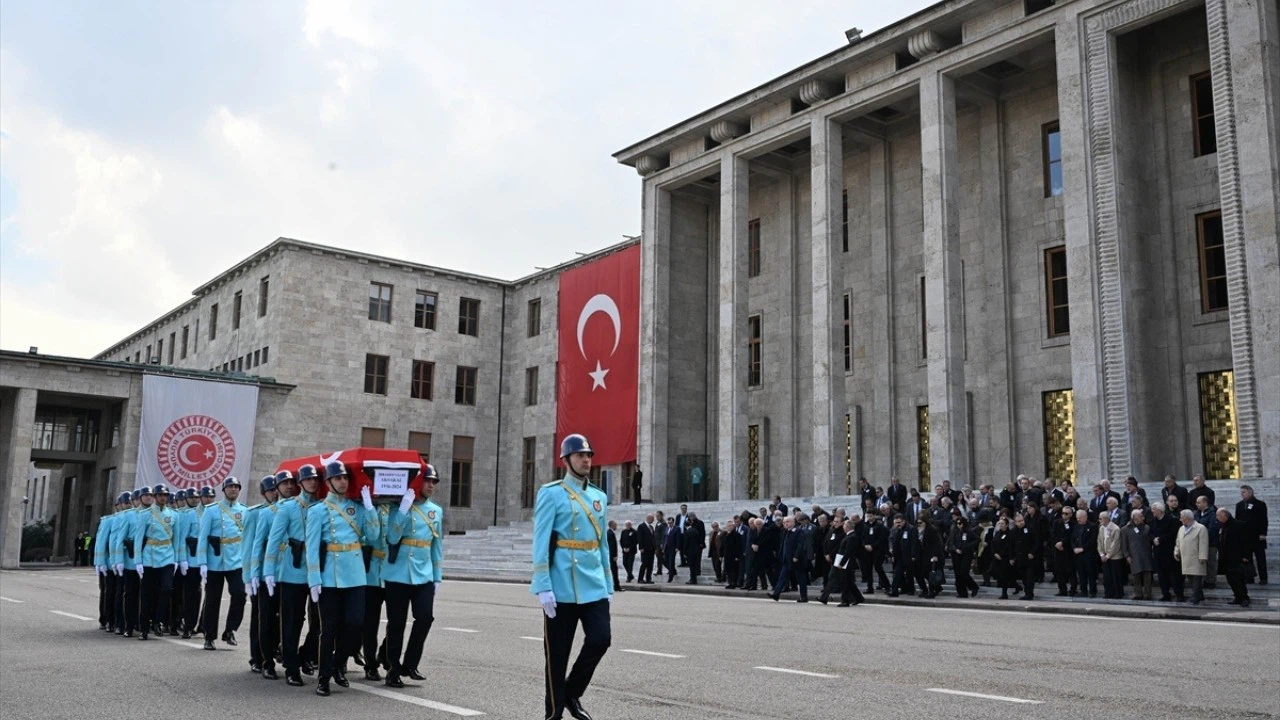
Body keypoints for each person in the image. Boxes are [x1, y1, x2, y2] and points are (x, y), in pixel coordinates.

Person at [531, 434, 613, 720]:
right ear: (566, 460)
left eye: (589, 455)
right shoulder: (551, 493)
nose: (586, 460)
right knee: (557, 656)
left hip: (593, 585)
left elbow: (602, 544)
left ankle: (572, 693)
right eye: (580, 455)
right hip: (561, 585)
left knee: (601, 639)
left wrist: (608, 583)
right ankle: (553, 712)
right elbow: (541, 541)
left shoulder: (599, 497)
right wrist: (542, 585)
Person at [306, 460, 379, 697]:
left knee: (356, 623)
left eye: (345, 478)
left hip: (355, 574)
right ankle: (324, 677)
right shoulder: (317, 510)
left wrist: (369, 508)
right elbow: (312, 546)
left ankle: (339, 663)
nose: (343, 481)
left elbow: (374, 535)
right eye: (338, 478)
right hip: (330, 576)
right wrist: (314, 578)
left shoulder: (356, 508)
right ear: (328, 482)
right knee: (329, 628)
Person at [383, 464, 443, 689]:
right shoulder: (397, 506)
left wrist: (437, 576)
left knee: (425, 617)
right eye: (427, 481)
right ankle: (393, 669)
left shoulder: (435, 510)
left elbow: (436, 544)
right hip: (398, 573)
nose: (430, 486)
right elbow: (392, 537)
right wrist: (402, 510)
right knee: (397, 623)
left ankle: (410, 664)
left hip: (423, 573)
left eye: (434, 482)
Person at [264, 463, 321, 686]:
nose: (313, 483)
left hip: (317, 570)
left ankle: (306, 654)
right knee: (292, 621)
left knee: (319, 623)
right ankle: (291, 666)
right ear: (300, 483)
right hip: (292, 570)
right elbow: (274, 540)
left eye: (315, 479)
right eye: (308, 479)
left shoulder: (322, 506)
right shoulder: (288, 508)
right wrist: (269, 571)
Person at [198, 476, 249, 651]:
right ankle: (209, 636)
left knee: (240, 594)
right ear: (224, 489)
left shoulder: (244, 510)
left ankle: (230, 630)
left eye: (236, 487)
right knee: (212, 600)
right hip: (215, 561)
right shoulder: (212, 510)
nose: (233, 489)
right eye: (230, 486)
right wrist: (202, 562)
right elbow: (203, 537)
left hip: (236, 560)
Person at [254, 472, 290, 680]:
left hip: (291, 571)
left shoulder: (297, 509)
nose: (286, 489)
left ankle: (282, 651)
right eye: (281, 486)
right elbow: (257, 544)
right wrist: (254, 574)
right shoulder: (266, 513)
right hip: (270, 572)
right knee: (267, 618)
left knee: (288, 617)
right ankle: (266, 661)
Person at [243, 475, 279, 672]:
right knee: (260, 616)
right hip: (261, 572)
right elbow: (249, 547)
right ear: (263, 493)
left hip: (278, 571)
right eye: (270, 490)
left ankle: (272, 649)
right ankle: (256, 656)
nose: (274, 492)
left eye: (276, 489)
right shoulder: (256, 514)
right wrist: (249, 576)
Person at [134, 483, 179, 640]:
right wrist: (138, 561)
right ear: (155, 497)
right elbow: (138, 539)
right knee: (147, 594)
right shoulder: (145, 514)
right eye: (160, 495)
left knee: (166, 589)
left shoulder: (174, 515)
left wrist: (178, 559)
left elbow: (177, 539)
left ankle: (158, 621)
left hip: (167, 556)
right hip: (149, 558)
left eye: (165, 495)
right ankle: (144, 627)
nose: (162, 498)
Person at [358, 496, 390, 681]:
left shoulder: (398, 507)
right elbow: (367, 536)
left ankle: (385, 654)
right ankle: (371, 665)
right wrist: (370, 508)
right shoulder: (365, 507)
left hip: (393, 571)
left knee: (396, 621)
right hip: (371, 572)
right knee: (370, 623)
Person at [177, 486, 212, 639]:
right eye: (205, 496)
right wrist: (182, 559)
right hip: (193, 559)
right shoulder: (190, 515)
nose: (208, 499)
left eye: (211, 496)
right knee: (192, 594)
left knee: (211, 594)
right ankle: (188, 625)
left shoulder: (217, 513)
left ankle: (204, 624)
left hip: (212, 559)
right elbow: (182, 538)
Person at [109, 489, 144, 637]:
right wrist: (116, 561)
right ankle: (119, 622)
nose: (130, 504)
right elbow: (114, 541)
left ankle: (136, 621)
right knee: (121, 593)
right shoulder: (120, 517)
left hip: (142, 561)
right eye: (127, 502)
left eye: (132, 501)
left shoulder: (145, 515)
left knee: (139, 594)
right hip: (126, 560)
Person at [94, 495, 123, 632]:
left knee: (120, 592)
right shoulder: (108, 521)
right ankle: (105, 619)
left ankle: (118, 620)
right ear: (117, 506)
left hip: (122, 562)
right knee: (108, 592)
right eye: (124, 503)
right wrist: (100, 563)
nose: (128, 505)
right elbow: (101, 543)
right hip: (108, 564)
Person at [770, 516, 811, 602]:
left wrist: (796, 556)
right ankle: (776, 594)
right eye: (784, 522)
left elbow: (800, 545)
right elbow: (783, 545)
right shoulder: (785, 532)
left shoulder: (798, 531)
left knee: (800, 578)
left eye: (787, 522)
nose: (785, 523)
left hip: (796, 560)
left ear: (793, 522)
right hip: (786, 559)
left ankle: (804, 597)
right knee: (782, 577)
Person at [1217, 508, 1251, 607]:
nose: (1217, 517)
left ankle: (1244, 598)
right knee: (1230, 579)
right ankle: (1237, 597)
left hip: (1237, 557)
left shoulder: (1238, 525)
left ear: (1224, 515)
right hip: (1226, 557)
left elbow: (1246, 541)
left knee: (1238, 579)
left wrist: (1245, 555)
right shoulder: (1222, 526)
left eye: (1218, 515)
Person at [1173, 509, 1209, 605]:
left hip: (1196, 558)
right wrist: (1177, 552)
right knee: (1190, 579)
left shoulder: (1200, 528)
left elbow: (1203, 543)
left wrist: (1203, 556)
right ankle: (1199, 595)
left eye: (1182, 518)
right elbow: (1178, 542)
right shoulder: (1181, 529)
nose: (1180, 519)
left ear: (1187, 518)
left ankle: (1195, 597)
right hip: (1186, 558)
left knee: (1196, 579)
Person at [1150, 502, 1183, 602]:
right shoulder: (1153, 521)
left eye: (1153, 509)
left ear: (1159, 510)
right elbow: (1150, 533)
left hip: (1169, 552)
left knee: (1174, 575)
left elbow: (1173, 534)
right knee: (1162, 575)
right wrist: (1153, 539)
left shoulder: (1172, 520)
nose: (1152, 511)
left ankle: (1179, 594)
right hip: (1158, 552)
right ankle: (1165, 593)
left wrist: (1161, 539)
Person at [1236, 485, 1269, 585]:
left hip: (1257, 535)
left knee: (1260, 558)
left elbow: (1264, 520)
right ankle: (1249, 577)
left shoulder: (1260, 504)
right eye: (1241, 492)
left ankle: (1263, 578)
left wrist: (1263, 533)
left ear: (1250, 492)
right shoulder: (1239, 505)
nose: (1242, 494)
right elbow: (1237, 519)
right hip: (1245, 536)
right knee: (1247, 558)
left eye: (1244, 492)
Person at [1121, 510, 1155, 601]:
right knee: (1136, 575)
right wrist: (1127, 555)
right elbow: (1124, 544)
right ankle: (1138, 593)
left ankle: (1148, 593)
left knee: (1147, 575)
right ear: (1134, 518)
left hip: (1146, 554)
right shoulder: (1125, 529)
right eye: (1141, 516)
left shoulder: (1147, 527)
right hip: (1134, 555)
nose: (1143, 518)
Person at [947, 516, 980, 598]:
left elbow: (977, 540)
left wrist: (967, 546)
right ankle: (962, 593)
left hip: (966, 554)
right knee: (958, 574)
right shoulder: (954, 531)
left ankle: (973, 586)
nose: (958, 525)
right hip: (956, 554)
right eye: (957, 523)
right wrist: (955, 549)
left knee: (964, 572)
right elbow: (951, 542)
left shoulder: (969, 531)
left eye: (960, 523)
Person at [887, 514, 917, 597]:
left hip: (908, 555)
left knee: (909, 574)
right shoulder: (895, 530)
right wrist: (893, 555)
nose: (898, 524)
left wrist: (913, 555)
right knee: (897, 573)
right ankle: (894, 591)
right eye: (896, 522)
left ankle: (911, 589)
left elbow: (914, 543)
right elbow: (894, 543)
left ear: (904, 521)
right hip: (899, 556)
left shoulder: (911, 529)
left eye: (899, 522)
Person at [1194, 496, 1220, 589]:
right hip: (1198, 542)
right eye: (1196, 502)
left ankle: (1211, 581)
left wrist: (1200, 533)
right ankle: (1203, 579)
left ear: (1205, 503)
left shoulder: (1213, 513)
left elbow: (1213, 528)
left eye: (1199, 502)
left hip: (1211, 542)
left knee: (1211, 562)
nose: (1197, 504)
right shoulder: (1196, 513)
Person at [1070, 509, 1098, 598]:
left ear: (1085, 517)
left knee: (1091, 574)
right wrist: (1074, 548)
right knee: (1081, 574)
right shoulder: (1076, 526)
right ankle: (1083, 591)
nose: (1078, 520)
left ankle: (1093, 591)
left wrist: (1083, 548)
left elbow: (1092, 540)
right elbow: (1073, 538)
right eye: (1077, 518)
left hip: (1088, 554)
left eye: (1080, 518)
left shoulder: (1092, 526)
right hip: (1078, 554)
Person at [1013, 512, 1039, 601]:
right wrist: (1012, 557)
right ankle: (1026, 592)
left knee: (1029, 577)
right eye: (1019, 521)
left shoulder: (1030, 529)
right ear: (1015, 522)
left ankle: (1029, 593)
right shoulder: (1013, 531)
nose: (1021, 522)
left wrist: (1032, 552)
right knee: (1024, 577)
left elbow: (1035, 542)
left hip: (1029, 557)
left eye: (1022, 520)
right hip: (1020, 558)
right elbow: (1011, 545)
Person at [1097, 510, 1123, 599]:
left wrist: (1108, 555)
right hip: (1104, 556)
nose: (1099, 520)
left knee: (1115, 577)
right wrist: (1101, 554)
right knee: (1107, 577)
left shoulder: (1115, 528)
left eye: (1100, 519)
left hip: (1114, 556)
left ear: (1106, 519)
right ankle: (1108, 593)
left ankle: (1118, 593)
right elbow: (1099, 541)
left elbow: (1116, 544)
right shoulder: (1101, 528)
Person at [722, 518, 743, 589]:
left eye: (730, 526)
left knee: (734, 570)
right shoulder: (726, 535)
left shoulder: (737, 535)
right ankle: (730, 582)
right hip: (727, 555)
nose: (729, 527)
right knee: (728, 570)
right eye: (728, 526)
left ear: (733, 527)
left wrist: (737, 556)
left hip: (734, 556)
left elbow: (739, 546)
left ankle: (734, 583)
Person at [636, 514, 655, 584]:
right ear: (649, 518)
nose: (653, 521)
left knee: (650, 564)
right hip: (645, 549)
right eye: (652, 519)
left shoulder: (652, 527)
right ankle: (640, 578)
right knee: (644, 563)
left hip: (651, 549)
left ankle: (648, 578)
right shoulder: (641, 526)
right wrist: (641, 547)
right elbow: (640, 537)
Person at [606, 520, 622, 591]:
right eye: (615, 525)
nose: (616, 526)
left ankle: (616, 585)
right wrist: (614, 556)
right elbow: (612, 546)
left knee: (614, 570)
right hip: (611, 556)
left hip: (610, 555)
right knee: (614, 571)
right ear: (612, 525)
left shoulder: (609, 532)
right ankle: (617, 586)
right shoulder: (610, 533)